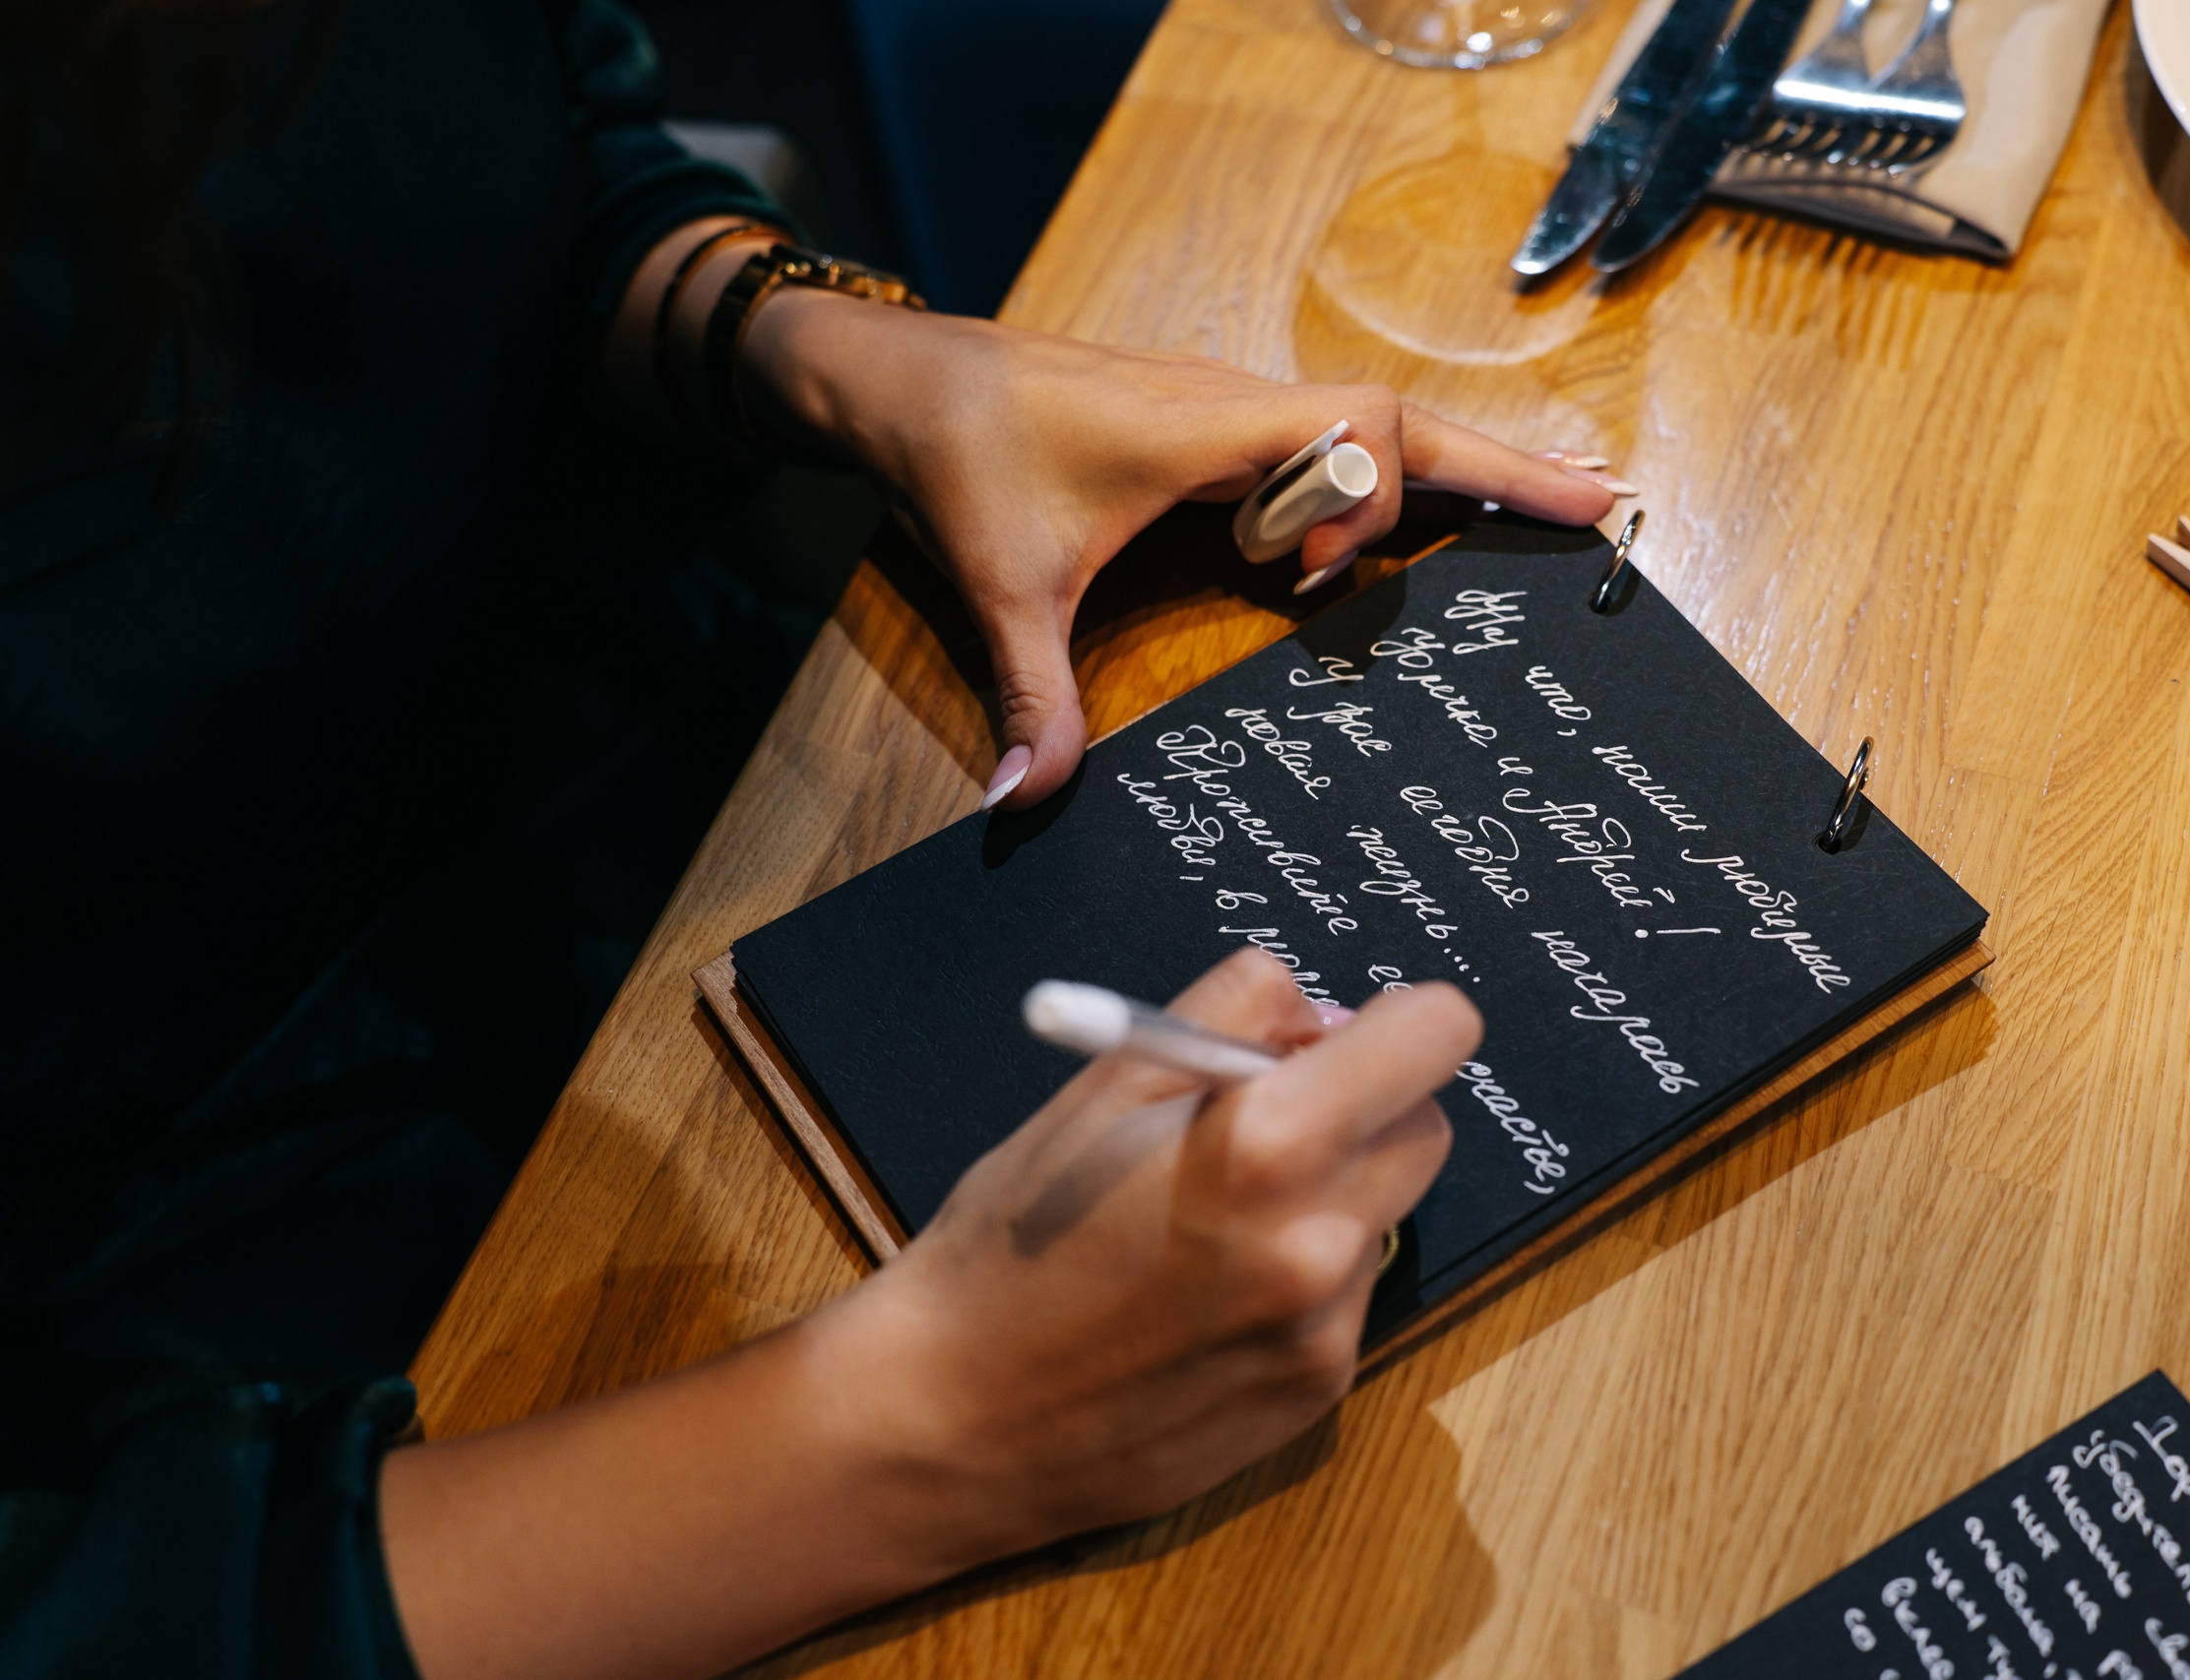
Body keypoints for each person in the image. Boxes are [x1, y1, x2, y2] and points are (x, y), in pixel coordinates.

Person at [0, 1, 1633, 1674]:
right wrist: (935, 1423)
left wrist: (840, 352)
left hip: (682, 809)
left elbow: (520, 181)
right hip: (224, 1329)